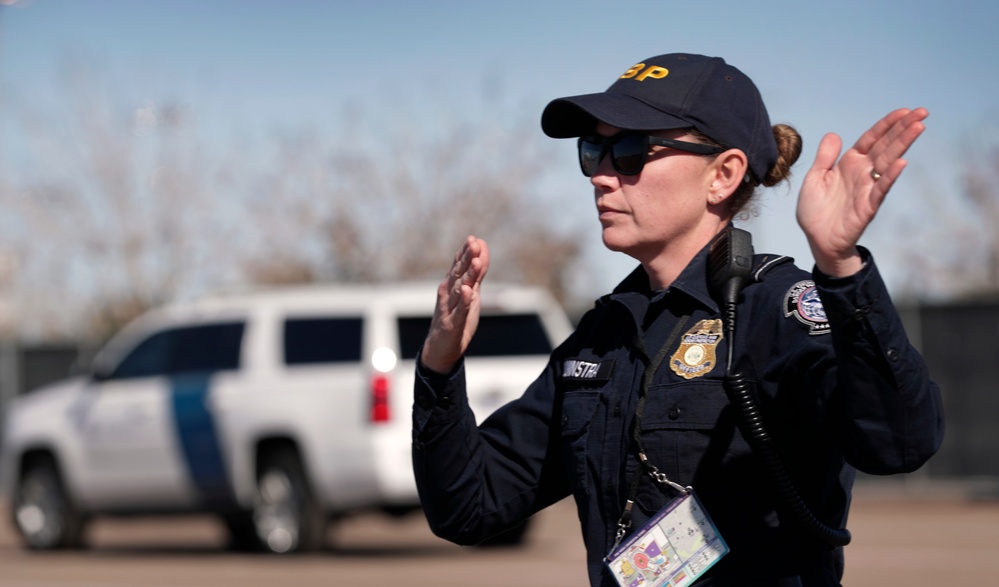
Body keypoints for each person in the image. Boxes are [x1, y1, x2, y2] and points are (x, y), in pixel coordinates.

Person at [411, 53, 944, 586]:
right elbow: (470, 507)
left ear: (724, 174)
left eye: (629, 151)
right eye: (593, 149)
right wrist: (439, 363)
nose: (600, 175)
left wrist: (841, 268)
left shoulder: (779, 310)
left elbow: (898, 444)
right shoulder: (603, 337)